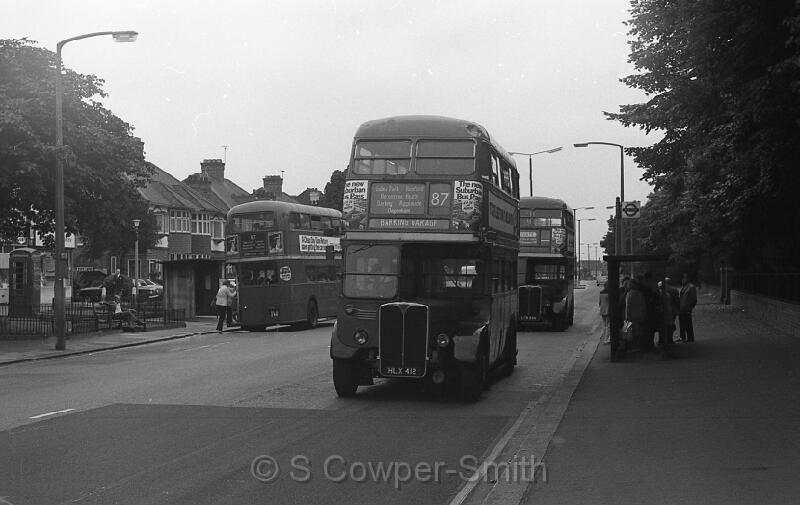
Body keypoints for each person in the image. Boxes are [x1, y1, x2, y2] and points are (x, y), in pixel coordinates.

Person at [678, 273, 697, 342]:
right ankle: (682, 337)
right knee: (682, 323)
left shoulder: (691, 287)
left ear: (688, 279)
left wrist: (690, 307)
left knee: (688, 324)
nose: (683, 279)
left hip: (687, 308)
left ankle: (690, 338)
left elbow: (694, 299)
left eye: (684, 278)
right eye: (683, 278)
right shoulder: (684, 286)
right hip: (681, 308)